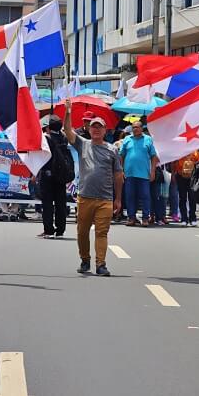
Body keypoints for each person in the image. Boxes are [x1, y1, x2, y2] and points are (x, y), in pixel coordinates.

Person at [63, 99, 124, 277]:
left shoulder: (112, 150)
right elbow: (68, 131)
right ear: (89, 130)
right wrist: (68, 112)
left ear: (105, 131)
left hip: (105, 198)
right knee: (82, 232)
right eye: (93, 127)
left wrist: (118, 198)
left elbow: (118, 175)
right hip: (85, 197)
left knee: (102, 232)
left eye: (100, 127)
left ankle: (101, 264)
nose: (96, 129)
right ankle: (85, 259)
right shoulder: (82, 144)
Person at [38, 116, 75, 238]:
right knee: (60, 203)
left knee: (47, 203)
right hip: (61, 174)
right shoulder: (64, 138)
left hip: (47, 174)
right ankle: (60, 230)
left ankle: (48, 230)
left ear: (48, 127)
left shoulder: (45, 138)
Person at [119, 121, 157, 227]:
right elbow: (121, 155)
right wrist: (121, 170)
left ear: (141, 128)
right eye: (133, 127)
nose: (135, 129)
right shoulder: (127, 139)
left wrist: (153, 171)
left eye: (137, 127)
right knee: (130, 196)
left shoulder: (148, 139)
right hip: (129, 173)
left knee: (145, 196)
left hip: (144, 174)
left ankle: (145, 218)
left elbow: (154, 157)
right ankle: (131, 218)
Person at [174, 151, 199, 226]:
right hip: (180, 176)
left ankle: (192, 218)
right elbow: (174, 162)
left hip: (192, 177)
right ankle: (184, 218)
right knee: (182, 198)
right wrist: (173, 174)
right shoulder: (180, 150)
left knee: (192, 198)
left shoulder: (196, 152)